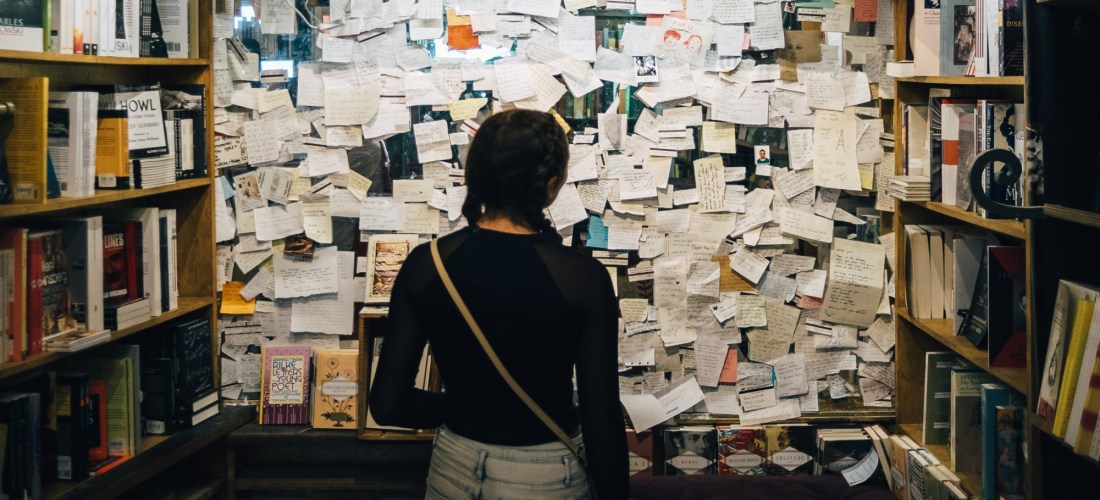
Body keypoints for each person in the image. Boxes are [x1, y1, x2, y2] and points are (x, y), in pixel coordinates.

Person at [370, 109, 628, 500]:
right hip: (546, 475)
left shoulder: (427, 264)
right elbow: (601, 418)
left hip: (454, 465)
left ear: (475, 176)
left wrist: (459, 408)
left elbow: (388, 406)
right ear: (553, 186)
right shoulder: (583, 278)